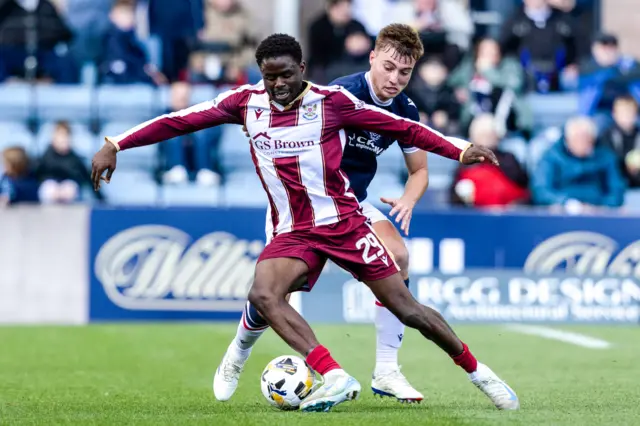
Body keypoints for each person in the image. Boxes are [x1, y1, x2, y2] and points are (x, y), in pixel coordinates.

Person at [91, 33, 519, 413]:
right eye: (268, 76)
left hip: (344, 221)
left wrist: (461, 149)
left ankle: (479, 372)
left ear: (302, 70)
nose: (276, 85)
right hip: (292, 228)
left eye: (285, 76)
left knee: (408, 309)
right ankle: (328, 372)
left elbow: (401, 127)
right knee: (264, 292)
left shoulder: (332, 102)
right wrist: (117, 143)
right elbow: (179, 120)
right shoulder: (245, 103)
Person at [215, 23, 437, 404]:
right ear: (372, 58)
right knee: (270, 296)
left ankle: (387, 369)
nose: (395, 78)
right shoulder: (339, 94)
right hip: (303, 208)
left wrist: (409, 198)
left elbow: (420, 170)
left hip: (351, 205)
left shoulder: (405, 109)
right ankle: (238, 352)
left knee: (398, 256)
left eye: (404, 72)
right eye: (388, 67)